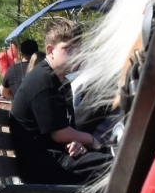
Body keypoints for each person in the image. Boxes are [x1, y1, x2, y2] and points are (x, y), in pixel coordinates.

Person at [11, 19, 108, 180]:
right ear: (50, 50)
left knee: (111, 163)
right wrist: (91, 140)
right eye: (67, 49)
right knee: (111, 167)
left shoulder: (60, 82)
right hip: (41, 165)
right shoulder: (43, 80)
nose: (75, 55)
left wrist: (75, 143)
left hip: (54, 158)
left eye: (78, 49)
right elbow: (60, 134)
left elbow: (63, 133)